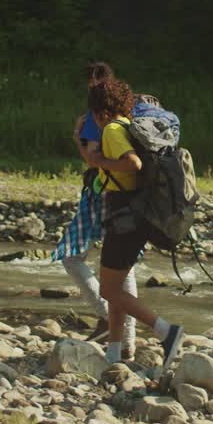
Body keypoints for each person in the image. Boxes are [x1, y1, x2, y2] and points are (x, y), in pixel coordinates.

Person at [83, 78, 185, 370]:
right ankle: (114, 353)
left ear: (99, 111)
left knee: (108, 290)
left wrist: (99, 162)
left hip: (123, 215)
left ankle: (166, 330)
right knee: (117, 288)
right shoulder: (128, 125)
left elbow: (133, 164)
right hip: (136, 212)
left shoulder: (113, 130)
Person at [52, 62, 138, 358]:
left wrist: (78, 140)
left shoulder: (96, 118)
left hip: (102, 193)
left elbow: (91, 158)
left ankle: (107, 317)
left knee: (70, 255)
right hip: (132, 197)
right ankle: (126, 340)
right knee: (125, 264)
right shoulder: (130, 113)